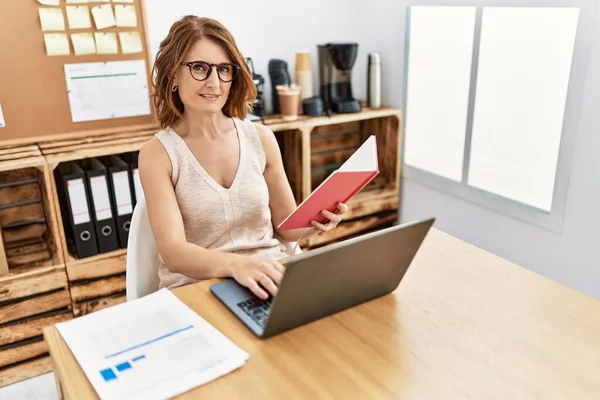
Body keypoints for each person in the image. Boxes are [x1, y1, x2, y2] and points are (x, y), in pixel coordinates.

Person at [139, 16, 348, 300]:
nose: (214, 82)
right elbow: (173, 253)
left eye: (224, 69)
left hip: (266, 281)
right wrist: (237, 266)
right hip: (195, 290)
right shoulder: (158, 154)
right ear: (174, 74)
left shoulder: (260, 138)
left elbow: (288, 229)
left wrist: (319, 220)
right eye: (199, 68)